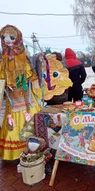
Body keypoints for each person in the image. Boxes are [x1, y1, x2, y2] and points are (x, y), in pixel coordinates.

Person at [0, 25, 41, 160]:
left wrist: (39, 90)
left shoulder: (24, 58)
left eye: (11, 37)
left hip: (27, 98)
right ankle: (16, 152)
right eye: (4, 37)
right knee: (13, 124)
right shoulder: (4, 61)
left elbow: (32, 76)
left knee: (31, 122)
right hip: (13, 100)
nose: (7, 40)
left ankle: (36, 148)